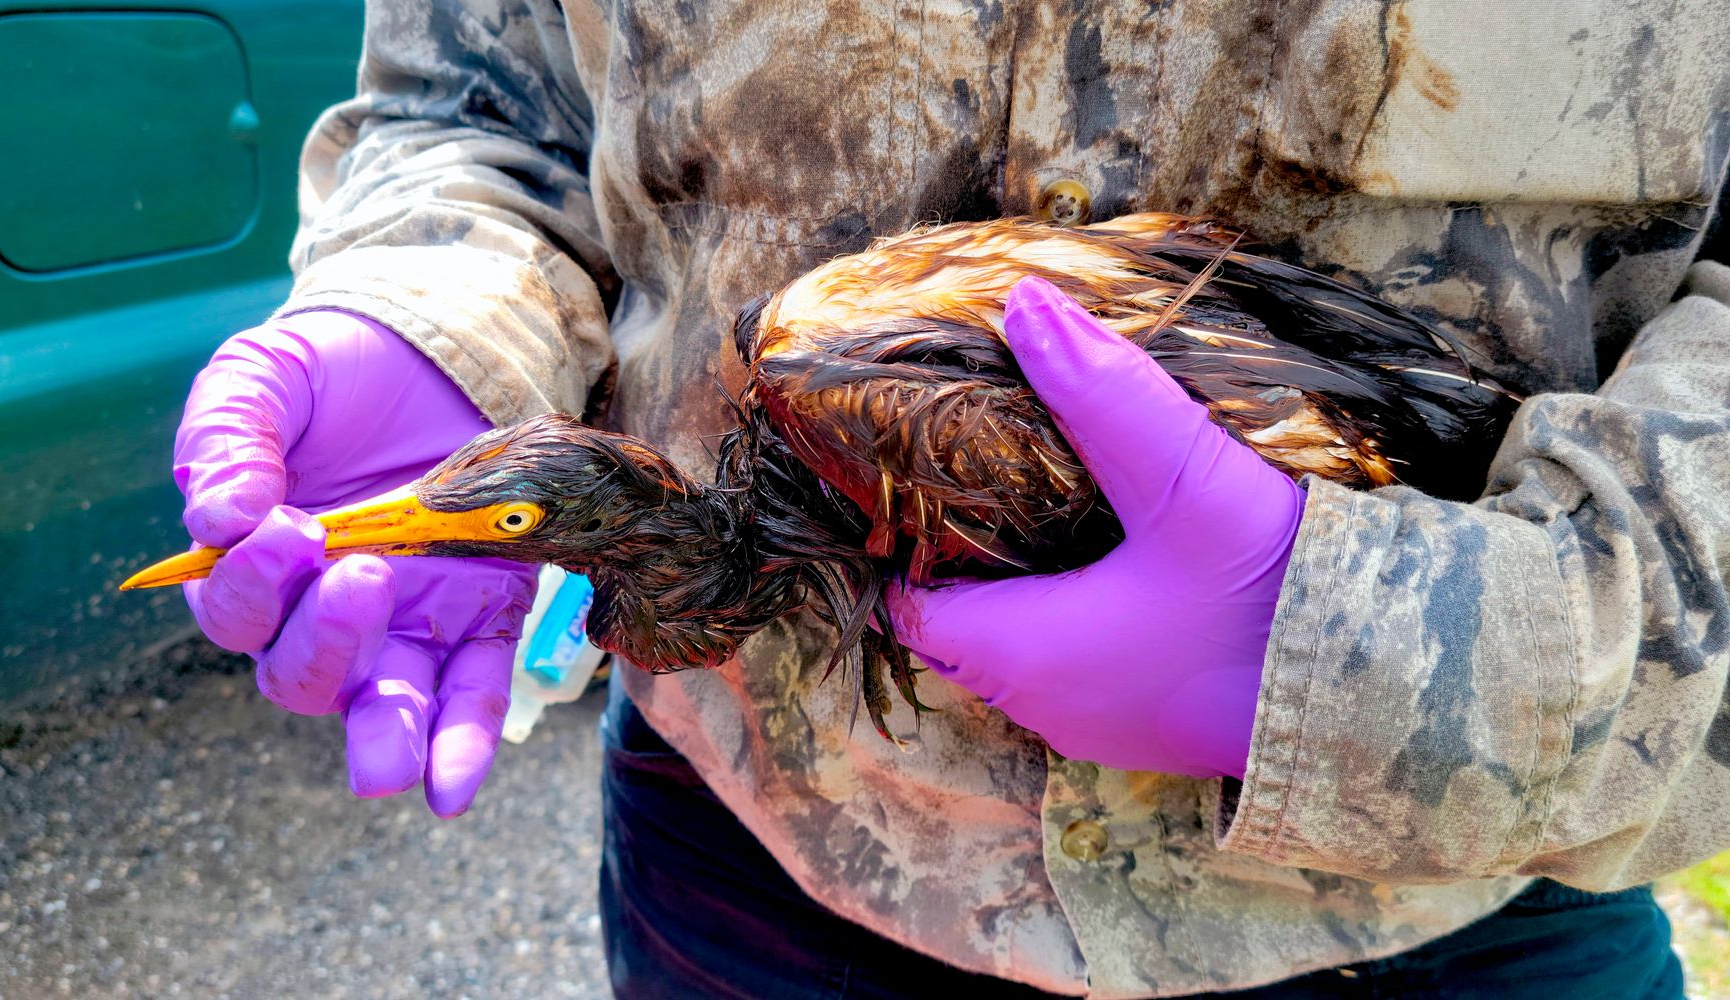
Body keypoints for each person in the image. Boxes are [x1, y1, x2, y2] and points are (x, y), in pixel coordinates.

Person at [172, 2, 1730, 996]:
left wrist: (1399, 653)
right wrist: (443, 320)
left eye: (503, 521)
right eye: (500, 522)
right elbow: (489, 106)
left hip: (1432, 914)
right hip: (748, 881)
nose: (453, 523)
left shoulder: (856, 415)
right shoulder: (780, 452)